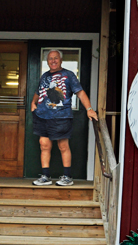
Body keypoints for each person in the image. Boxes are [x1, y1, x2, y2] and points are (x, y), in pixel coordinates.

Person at [30, 49, 98, 186]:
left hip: (61, 116)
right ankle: (45, 176)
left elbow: (80, 92)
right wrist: (33, 102)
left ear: (61, 60)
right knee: (44, 145)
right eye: (50, 58)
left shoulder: (69, 75)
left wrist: (89, 109)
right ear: (47, 61)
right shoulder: (44, 76)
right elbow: (39, 91)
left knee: (63, 145)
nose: (53, 60)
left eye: (56, 58)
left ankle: (67, 177)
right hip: (42, 116)